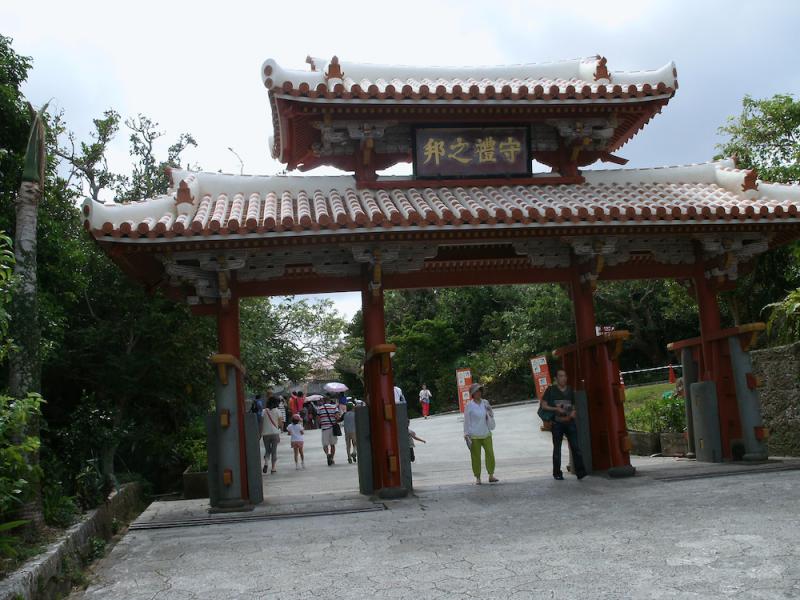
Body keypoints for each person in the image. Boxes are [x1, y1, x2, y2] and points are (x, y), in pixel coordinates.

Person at [540, 369, 587, 481]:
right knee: (557, 449)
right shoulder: (551, 390)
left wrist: (574, 412)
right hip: (557, 423)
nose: (563, 378)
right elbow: (544, 405)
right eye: (561, 376)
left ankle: (580, 472)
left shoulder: (570, 390)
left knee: (576, 447)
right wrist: (556, 409)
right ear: (556, 378)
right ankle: (557, 473)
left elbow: (573, 404)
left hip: (570, 422)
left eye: (565, 376)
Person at [463, 382, 499, 485]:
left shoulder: (485, 402)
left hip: (486, 432)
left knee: (490, 454)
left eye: (480, 391)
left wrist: (489, 411)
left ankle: (491, 475)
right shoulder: (469, 405)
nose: (479, 393)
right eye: (476, 391)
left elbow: (491, 414)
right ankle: (478, 477)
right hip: (474, 435)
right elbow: (466, 420)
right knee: (475, 457)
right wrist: (466, 433)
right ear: (472, 394)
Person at [261, 396, 284, 474]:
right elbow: (280, 423)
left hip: (265, 434)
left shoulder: (264, 411)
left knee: (267, 450)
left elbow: (261, 423)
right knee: (274, 451)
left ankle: (266, 463)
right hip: (275, 433)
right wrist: (281, 429)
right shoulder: (278, 411)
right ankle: (273, 468)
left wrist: (260, 432)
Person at [318, 393, 341, 466]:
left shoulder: (320, 408)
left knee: (325, 444)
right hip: (332, 428)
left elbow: (318, 419)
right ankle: (332, 458)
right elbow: (337, 417)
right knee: (332, 445)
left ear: (324, 401)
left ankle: (327, 454)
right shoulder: (334, 407)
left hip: (324, 428)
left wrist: (322, 422)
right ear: (329, 400)